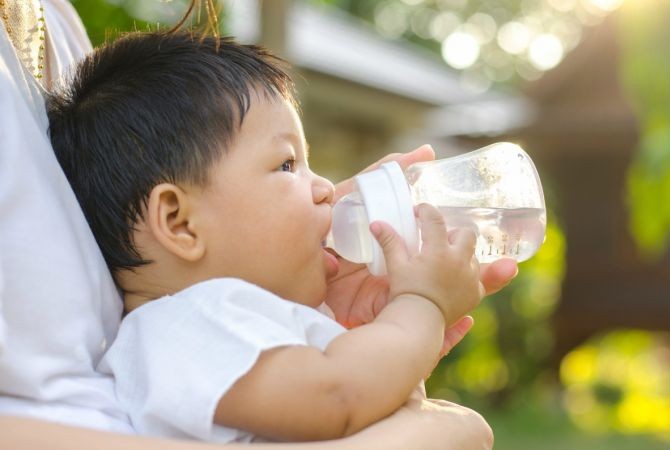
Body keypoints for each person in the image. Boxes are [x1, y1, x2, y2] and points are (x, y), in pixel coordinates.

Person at [0, 0, 516, 448]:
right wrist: (422, 305)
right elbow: (338, 396)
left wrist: (380, 336)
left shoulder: (231, 319)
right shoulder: (189, 324)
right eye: (287, 165)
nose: (324, 189)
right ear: (179, 222)